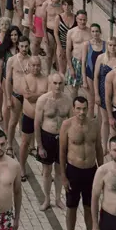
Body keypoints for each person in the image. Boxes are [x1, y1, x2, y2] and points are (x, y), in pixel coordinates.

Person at [60, 95, 103, 230]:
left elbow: (99, 149)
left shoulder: (94, 125)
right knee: (71, 208)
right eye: (78, 108)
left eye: (84, 109)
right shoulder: (66, 125)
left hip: (91, 171)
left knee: (90, 208)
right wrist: (63, 176)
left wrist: (101, 173)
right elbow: (62, 152)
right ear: (73, 109)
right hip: (73, 171)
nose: (81, 112)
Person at [34, 73, 73, 212]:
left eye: (60, 83)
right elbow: (37, 124)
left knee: (60, 171)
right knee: (46, 171)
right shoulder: (43, 100)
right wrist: (40, 146)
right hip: (47, 137)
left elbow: (71, 123)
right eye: (55, 83)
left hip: (62, 139)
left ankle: (57, 199)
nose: (57, 86)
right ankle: (46, 199)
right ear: (50, 84)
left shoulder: (68, 100)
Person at [19, 55, 48, 183]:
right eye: (33, 65)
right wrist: (41, 95)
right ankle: (22, 168)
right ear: (29, 66)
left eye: (38, 65)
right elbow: (27, 96)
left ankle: (45, 170)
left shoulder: (46, 79)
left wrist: (34, 95)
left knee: (43, 144)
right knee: (25, 143)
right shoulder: (25, 78)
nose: (36, 68)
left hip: (42, 118)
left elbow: (47, 96)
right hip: (29, 117)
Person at [95, 37, 116, 151]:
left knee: (113, 122)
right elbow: (96, 77)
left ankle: (113, 147)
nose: (112, 48)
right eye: (110, 45)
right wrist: (96, 94)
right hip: (102, 92)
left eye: (114, 45)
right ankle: (104, 146)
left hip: (115, 94)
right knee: (105, 120)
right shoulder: (101, 58)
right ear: (107, 46)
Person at [55, 0, 77, 77]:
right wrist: (60, 47)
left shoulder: (76, 18)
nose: (66, 7)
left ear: (72, 6)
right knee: (62, 70)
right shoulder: (58, 18)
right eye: (64, 5)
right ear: (62, 6)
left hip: (72, 47)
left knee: (72, 68)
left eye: (69, 5)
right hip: (62, 45)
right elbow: (56, 33)